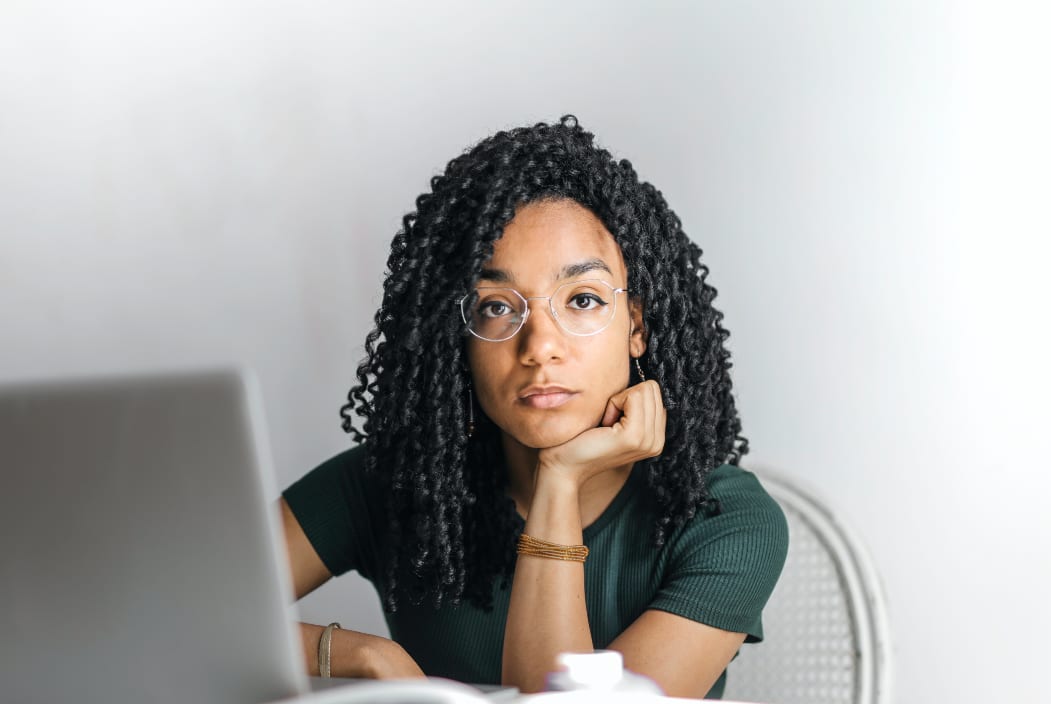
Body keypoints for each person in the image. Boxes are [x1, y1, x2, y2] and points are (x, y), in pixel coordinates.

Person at [279, 116, 788, 699]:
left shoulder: (724, 519)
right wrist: (361, 654)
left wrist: (560, 479)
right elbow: (170, 609)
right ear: (459, 339)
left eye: (583, 299)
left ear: (636, 327)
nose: (540, 346)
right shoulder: (398, 482)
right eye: (496, 307)